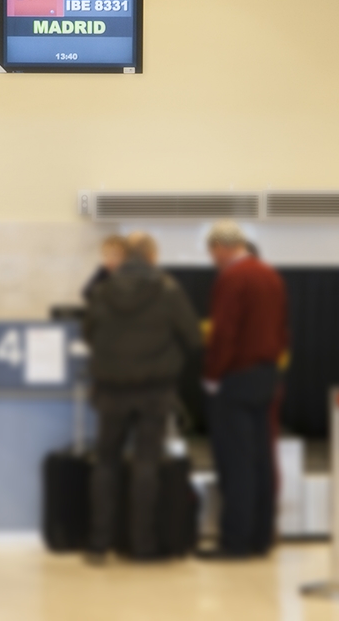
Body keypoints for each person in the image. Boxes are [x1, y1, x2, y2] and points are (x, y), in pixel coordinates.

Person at [83, 232, 202, 564]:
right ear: (151, 256)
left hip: (109, 390)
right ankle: (143, 545)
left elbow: (88, 332)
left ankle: (98, 544)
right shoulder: (168, 289)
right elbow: (193, 337)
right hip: (154, 389)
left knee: (105, 463)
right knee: (146, 463)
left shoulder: (103, 290)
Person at [200, 221, 288, 560]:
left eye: (212, 252)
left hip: (235, 379)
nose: (212, 260)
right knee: (262, 461)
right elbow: (282, 330)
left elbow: (224, 333)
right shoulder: (271, 275)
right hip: (267, 376)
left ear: (223, 247)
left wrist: (211, 376)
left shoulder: (232, 278)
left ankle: (235, 542)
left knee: (235, 463)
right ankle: (260, 537)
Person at [81, 234, 127, 303]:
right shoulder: (102, 273)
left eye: (115, 255)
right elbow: (88, 293)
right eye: (106, 254)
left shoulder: (128, 275)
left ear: (125, 256)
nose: (110, 259)